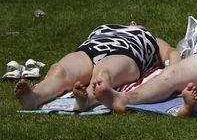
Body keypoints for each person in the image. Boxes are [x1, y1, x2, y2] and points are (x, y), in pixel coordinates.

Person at [13, 22, 180, 110]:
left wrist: (170, 73)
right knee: (60, 70)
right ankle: (34, 98)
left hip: (126, 53)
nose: (134, 23)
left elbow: (172, 54)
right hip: (91, 49)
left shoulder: (151, 38)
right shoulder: (108, 27)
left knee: (103, 75)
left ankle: (87, 100)